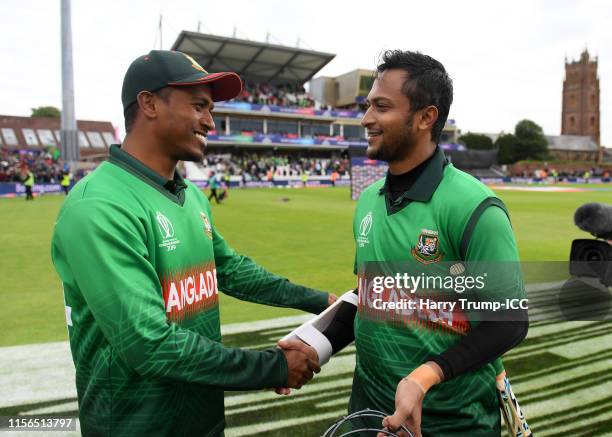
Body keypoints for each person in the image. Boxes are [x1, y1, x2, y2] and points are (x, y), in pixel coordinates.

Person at [51, 50, 336, 437]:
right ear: (148, 103)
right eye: (199, 106)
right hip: (136, 427)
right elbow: (149, 344)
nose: (210, 121)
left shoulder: (190, 196)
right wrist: (275, 366)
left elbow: (230, 268)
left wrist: (319, 301)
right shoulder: (99, 206)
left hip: (203, 420)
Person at [315, 50, 528, 437]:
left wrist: (425, 376)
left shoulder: (475, 207)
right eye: (367, 106)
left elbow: (508, 322)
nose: (366, 119)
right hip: (367, 416)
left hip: (452, 425)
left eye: (381, 107)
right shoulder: (368, 199)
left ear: (426, 117)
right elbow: (369, 293)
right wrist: (315, 344)